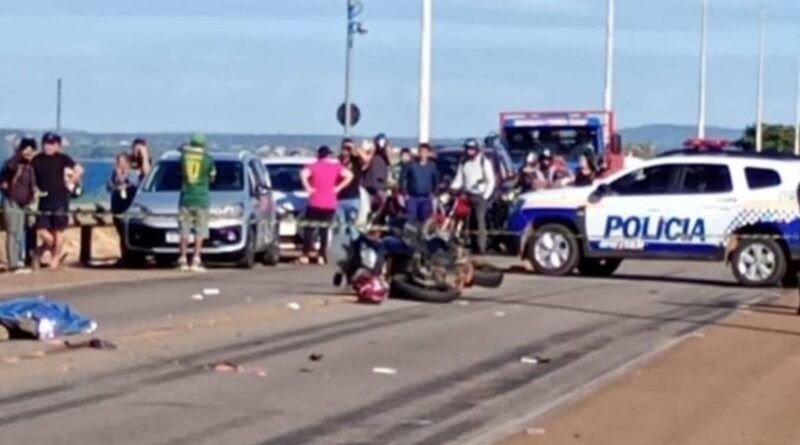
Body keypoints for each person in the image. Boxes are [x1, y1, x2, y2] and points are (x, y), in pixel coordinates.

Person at [31, 132, 83, 269]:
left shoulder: (62, 158)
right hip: (44, 199)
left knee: (58, 230)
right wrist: (35, 190)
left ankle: (54, 259)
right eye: (46, 143)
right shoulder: (37, 160)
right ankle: (52, 248)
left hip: (60, 199)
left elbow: (79, 170)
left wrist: (70, 182)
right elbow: (32, 177)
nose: (48, 146)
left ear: (57, 146)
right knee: (42, 230)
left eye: (51, 144)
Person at [298, 145, 353, 265]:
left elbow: (303, 174)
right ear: (329, 155)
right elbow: (349, 175)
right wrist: (338, 188)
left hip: (315, 201)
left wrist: (308, 187)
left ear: (318, 155)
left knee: (309, 229)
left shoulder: (314, 166)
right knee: (324, 230)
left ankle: (305, 255)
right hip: (329, 203)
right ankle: (321, 256)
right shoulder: (336, 167)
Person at [177, 134, 216, 272]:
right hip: (201, 198)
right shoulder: (208, 159)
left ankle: (182, 258)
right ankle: (196, 259)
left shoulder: (184, 157)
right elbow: (212, 178)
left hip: (186, 197)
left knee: (184, 229)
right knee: (200, 230)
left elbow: (179, 173)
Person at [451, 138, 496, 254]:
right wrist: (452, 187)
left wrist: (485, 196)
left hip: (480, 196)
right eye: (468, 149)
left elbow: (491, 181)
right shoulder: (464, 162)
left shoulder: (484, 162)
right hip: (467, 195)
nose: (469, 151)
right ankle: (469, 243)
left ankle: (481, 246)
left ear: (477, 149)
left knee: (479, 220)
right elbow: (459, 178)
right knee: (467, 220)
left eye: (472, 149)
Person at [1, 138, 37, 272]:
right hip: (11, 202)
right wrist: (19, 155)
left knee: (20, 232)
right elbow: (8, 169)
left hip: (24, 204)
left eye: (31, 150)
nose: (28, 153)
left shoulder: (30, 166)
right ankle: (12, 263)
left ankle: (19, 259)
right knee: (13, 232)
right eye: (25, 149)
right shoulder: (13, 164)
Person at [107, 153, 140, 263]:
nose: (119, 165)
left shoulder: (132, 174)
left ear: (127, 163)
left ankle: (130, 257)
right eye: (118, 162)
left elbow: (130, 185)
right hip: (117, 208)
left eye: (121, 162)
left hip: (127, 208)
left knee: (126, 233)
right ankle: (124, 256)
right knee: (121, 233)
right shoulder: (114, 174)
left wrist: (120, 176)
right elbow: (109, 186)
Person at [403, 143, 439, 223]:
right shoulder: (411, 165)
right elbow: (402, 179)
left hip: (426, 199)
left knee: (424, 221)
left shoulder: (432, 166)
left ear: (429, 153)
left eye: (425, 152)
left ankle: (422, 235)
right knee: (411, 221)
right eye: (421, 152)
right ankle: (411, 235)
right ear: (418, 153)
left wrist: (434, 194)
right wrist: (405, 194)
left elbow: (436, 181)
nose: (423, 154)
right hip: (412, 198)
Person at [360, 133, 390, 214]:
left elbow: (389, 159)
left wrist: (384, 148)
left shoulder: (384, 158)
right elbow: (364, 165)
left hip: (380, 187)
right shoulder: (370, 155)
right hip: (368, 187)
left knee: (381, 207)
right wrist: (372, 150)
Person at [337, 138, 362, 224]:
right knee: (340, 226)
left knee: (352, 226)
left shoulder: (356, 161)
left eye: (348, 148)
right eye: (345, 147)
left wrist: (354, 148)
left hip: (353, 198)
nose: (346, 150)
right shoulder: (337, 161)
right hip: (339, 199)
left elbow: (366, 159)